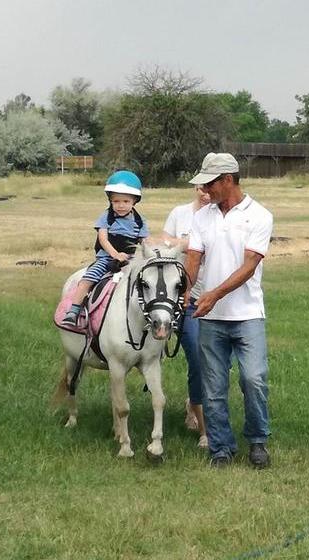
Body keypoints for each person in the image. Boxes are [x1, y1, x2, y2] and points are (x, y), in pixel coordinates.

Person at [185, 153, 273, 468]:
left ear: (228, 180)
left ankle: (258, 441)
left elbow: (250, 265)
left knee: (254, 378)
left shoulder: (260, 215)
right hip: (209, 318)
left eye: (210, 183)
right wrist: (185, 291)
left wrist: (214, 294)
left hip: (247, 314)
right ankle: (221, 449)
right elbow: (193, 259)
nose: (205, 190)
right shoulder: (202, 217)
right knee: (213, 386)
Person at [61, 170, 149, 327]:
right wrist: (115, 254)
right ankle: (73, 311)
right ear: (110, 201)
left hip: (129, 260)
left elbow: (145, 242)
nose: (121, 205)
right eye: (116, 201)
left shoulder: (140, 221)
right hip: (107, 258)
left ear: (134, 201)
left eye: (126, 201)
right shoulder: (106, 217)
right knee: (88, 278)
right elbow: (103, 239)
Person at [162, 185, 212, 449]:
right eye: (201, 189)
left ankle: (194, 401)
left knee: (219, 363)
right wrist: (186, 244)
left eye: (209, 189)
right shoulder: (179, 213)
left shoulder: (221, 216)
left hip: (217, 298)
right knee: (197, 356)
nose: (205, 194)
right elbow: (165, 245)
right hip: (186, 300)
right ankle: (205, 430)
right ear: (195, 188)